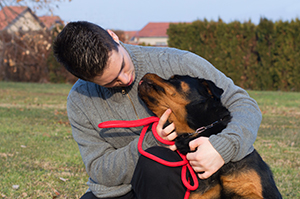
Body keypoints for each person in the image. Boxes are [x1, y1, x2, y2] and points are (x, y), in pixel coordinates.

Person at [53, 21, 262, 199]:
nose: (126, 80)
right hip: (121, 191)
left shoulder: (176, 61)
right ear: (85, 79)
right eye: (111, 82)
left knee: (154, 166)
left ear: (113, 36)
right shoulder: (80, 99)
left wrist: (223, 146)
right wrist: (150, 141)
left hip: (170, 180)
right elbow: (99, 169)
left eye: (122, 66)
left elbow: (243, 103)